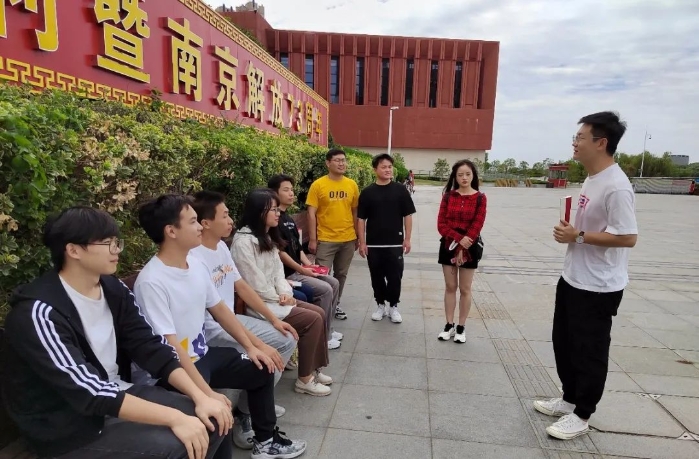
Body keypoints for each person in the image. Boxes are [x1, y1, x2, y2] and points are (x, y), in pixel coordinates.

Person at [0, 206, 233, 459]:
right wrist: (176, 418)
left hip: (115, 393)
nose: (117, 250)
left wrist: (202, 396)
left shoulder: (112, 289)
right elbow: (88, 391)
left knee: (214, 417)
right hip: (68, 426)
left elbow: (150, 346)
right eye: (107, 243)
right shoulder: (38, 314)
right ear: (74, 250)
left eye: (116, 242)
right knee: (180, 441)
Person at [134, 194, 307, 459]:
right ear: (171, 231)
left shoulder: (194, 264)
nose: (199, 227)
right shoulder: (152, 281)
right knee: (218, 417)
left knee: (261, 368)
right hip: (175, 370)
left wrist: (254, 347)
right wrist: (207, 395)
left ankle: (265, 442)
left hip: (202, 355)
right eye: (193, 222)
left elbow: (221, 310)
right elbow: (170, 347)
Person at [534, 111, 638, 441]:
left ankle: (582, 414)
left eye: (580, 137)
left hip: (598, 286)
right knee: (564, 342)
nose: (575, 143)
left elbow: (628, 237)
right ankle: (569, 399)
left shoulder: (617, 186)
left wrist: (578, 236)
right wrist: (571, 232)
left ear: (601, 143)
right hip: (573, 277)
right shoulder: (593, 178)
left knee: (589, 350)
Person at [189, 191, 299, 440]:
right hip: (212, 329)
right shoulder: (194, 258)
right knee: (261, 356)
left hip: (230, 319)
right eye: (225, 216)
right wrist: (253, 344)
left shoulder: (220, 246)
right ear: (206, 223)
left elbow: (242, 286)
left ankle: (250, 406)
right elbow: (216, 312)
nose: (231, 221)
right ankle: (246, 415)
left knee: (285, 339)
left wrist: (273, 320)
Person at [230, 189, 334, 397]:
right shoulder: (243, 243)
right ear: (259, 212)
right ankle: (305, 379)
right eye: (273, 210)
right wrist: (279, 297)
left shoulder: (265, 236)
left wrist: (285, 292)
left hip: (277, 299)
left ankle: (314, 369)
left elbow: (278, 272)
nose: (278, 214)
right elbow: (254, 283)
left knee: (319, 313)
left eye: (278, 209)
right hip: (259, 305)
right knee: (312, 320)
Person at [267, 174, 343, 350]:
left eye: (292, 190)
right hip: (289, 275)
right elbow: (280, 253)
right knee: (325, 290)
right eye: (286, 190)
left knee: (334, 282)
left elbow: (298, 248)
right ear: (274, 193)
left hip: (298, 270)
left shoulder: (288, 219)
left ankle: (327, 330)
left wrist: (308, 265)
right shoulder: (274, 221)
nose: (291, 193)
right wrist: (302, 270)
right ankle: (322, 338)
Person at [357, 154, 416, 323]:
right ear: (375, 169)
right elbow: (361, 219)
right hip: (374, 244)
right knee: (376, 276)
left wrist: (407, 238)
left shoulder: (400, 190)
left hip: (395, 243)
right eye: (383, 167)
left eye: (390, 167)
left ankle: (393, 306)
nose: (388, 170)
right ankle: (380, 305)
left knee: (395, 276)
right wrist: (362, 242)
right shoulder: (367, 192)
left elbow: (408, 215)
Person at [306, 148, 360, 321]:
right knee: (322, 275)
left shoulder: (352, 184)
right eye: (337, 160)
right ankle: (322, 306)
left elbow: (355, 212)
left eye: (343, 160)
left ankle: (336, 304)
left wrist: (358, 236)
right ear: (328, 163)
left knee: (341, 275)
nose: (341, 163)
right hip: (325, 239)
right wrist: (313, 239)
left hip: (348, 238)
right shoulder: (318, 185)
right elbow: (311, 213)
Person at [436, 159, 487, 344]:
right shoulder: (448, 197)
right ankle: (448, 324)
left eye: (467, 174)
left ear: (473, 175)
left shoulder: (480, 198)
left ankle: (461, 326)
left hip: (470, 247)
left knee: (465, 288)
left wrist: (465, 244)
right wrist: (458, 239)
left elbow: (478, 223)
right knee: (450, 287)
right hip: (448, 245)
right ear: (455, 177)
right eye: (460, 175)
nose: (464, 178)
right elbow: (441, 224)